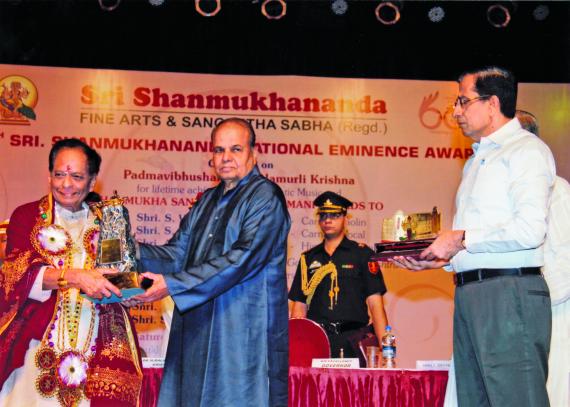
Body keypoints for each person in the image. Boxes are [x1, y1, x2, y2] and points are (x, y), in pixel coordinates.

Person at [392, 67, 555, 407]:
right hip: (471, 294)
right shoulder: (475, 161)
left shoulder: (526, 151)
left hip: (509, 295)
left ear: (492, 104)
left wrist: (459, 239)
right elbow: (476, 241)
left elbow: (530, 230)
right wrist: (442, 259)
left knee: (517, 400)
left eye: (463, 102)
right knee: (473, 400)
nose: (455, 112)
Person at [133, 118, 291, 407]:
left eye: (235, 149)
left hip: (242, 332)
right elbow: (177, 254)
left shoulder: (265, 196)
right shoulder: (207, 200)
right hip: (199, 329)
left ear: (254, 153)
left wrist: (173, 285)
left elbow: (243, 258)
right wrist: (130, 250)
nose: (226, 157)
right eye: (219, 150)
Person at [0, 138, 143, 406]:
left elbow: (119, 276)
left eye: (77, 177)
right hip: (37, 344)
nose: (66, 184)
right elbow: (13, 276)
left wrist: (131, 290)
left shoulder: (109, 220)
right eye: (59, 175)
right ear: (49, 176)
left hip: (97, 343)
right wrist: (75, 277)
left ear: (92, 182)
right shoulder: (27, 217)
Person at [289, 191, 388, 363]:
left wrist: (387, 353)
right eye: (323, 215)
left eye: (334, 215)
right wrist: (297, 351)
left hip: (353, 342)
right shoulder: (308, 258)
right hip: (316, 342)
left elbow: (376, 306)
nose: (327, 220)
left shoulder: (362, 254)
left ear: (345, 218)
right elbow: (299, 308)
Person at [516, 109, 570, 407]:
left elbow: (565, 260)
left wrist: (533, 298)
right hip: (515, 309)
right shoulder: (503, 191)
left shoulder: (556, 190)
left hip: (551, 311)